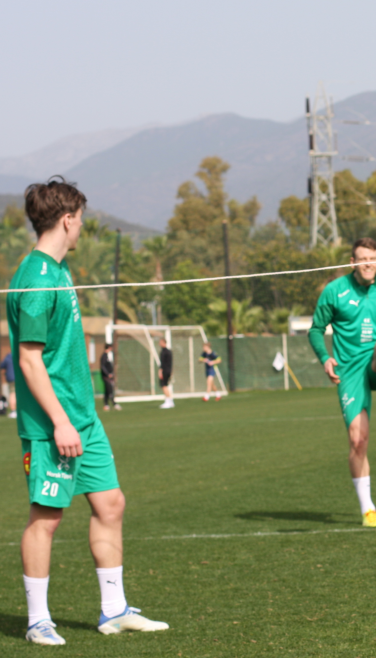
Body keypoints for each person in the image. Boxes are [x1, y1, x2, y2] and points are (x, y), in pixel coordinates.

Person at [10, 177, 168, 645]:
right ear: (67, 219)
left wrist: (78, 418)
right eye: (79, 219)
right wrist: (60, 422)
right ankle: (38, 620)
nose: (81, 227)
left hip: (85, 420)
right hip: (53, 426)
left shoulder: (59, 270)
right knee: (46, 517)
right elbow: (29, 360)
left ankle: (114, 611)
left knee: (110, 503)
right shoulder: (37, 278)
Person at [309, 237, 376, 528]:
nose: (368, 264)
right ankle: (368, 509)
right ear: (353, 262)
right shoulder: (335, 291)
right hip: (350, 372)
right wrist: (325, 358)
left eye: (372, 259)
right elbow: (316, 330)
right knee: (358, 441)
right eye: (362, 259)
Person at [99, 344, 120, 411]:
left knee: (107, 391)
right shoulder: (104, 356)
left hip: (108, 377)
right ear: (109, 348)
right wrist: (108, 374)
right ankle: (114, 404)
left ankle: (106, 405)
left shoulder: (107, 356)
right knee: (110, 390)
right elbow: (102, 366)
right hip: (106, 377)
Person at [157, 338, 173, 409]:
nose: (159, 343)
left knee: (164, 385)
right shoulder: (169, 351)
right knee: (165, 385)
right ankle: (170, 401)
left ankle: (168, 401)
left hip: (165, 371)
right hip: (168, 370)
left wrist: (160, 371)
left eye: (160, 342)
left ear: (164, 343)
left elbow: (163, 363)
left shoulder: (164, 352)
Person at [2, 350, 17, 418]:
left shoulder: (7, 358)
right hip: (19, 378)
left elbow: (1, 366)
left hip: (11, 379)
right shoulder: (17, 356)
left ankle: (13, 411)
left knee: (12, 394)